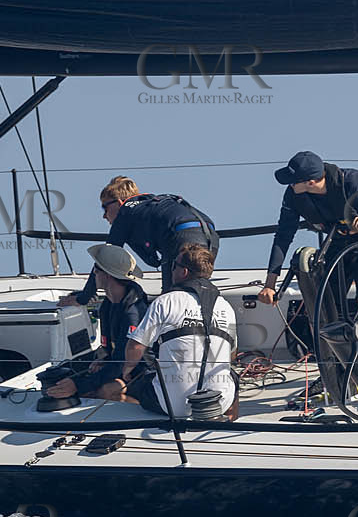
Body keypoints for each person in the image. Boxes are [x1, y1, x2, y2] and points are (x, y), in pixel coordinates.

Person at [258, 150, 358, 376]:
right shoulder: (293, 196)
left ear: (311, 181)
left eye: (292, 181)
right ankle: (339, 375)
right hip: (338, 239)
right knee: (323, 307)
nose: (288, 185)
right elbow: (283, 235)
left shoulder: (352, 180)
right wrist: (270, 282)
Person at [57, 176, 219, 307]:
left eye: (104, 208)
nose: (104, 215)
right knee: (199, 288)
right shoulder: (147, 206)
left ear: (119, 203)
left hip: (179, 236)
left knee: (170, 299)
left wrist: (83, 298)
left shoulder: (125, 214)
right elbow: (151, 259)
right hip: (210, 234)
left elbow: (104, 260)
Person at [120, 243, 238, 419]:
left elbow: (135, 347)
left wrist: (127, 370)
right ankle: (229, 422)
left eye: (173, 266)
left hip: (171, 406)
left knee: (135, 384)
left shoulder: (165, 301)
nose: (171, 271)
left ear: (183, 272)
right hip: (218, 403)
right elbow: (232, 355)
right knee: (234, 377)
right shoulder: (227, 308)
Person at [42, 244, 150, 403]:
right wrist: (101, 360)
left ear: (107, 275)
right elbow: (109, 352)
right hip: (122, 370)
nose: (93, 273)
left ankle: (142, 410)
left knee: (106, 391)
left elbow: (122, 364)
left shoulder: (132, 314)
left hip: (142, 376)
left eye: (96, 269)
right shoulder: (108, 304)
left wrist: (77, 385)